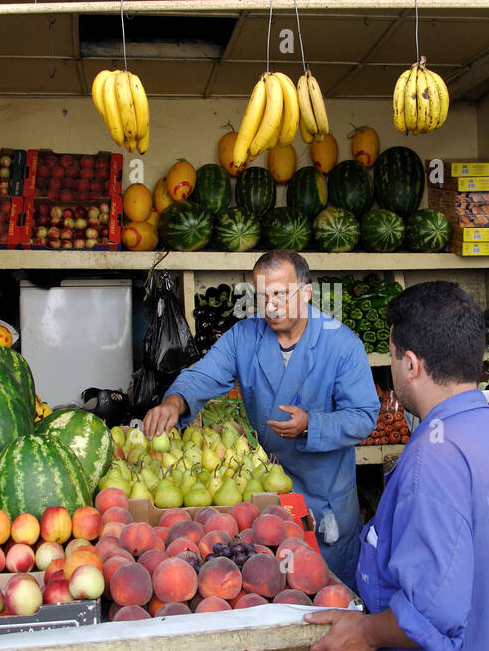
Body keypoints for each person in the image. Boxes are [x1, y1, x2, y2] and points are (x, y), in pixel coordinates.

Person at [305, 281, 489, 651]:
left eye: (394, 355)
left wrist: (365, 634)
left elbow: (433, 611)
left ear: (411, 364)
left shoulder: (433, 461)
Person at [141, 250, 378, 586]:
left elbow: (364, 417)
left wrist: (312, 424)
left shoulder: (341, 344)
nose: (269, 306)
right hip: (263, 491)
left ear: (306, 293)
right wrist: (175, 403)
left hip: (322, 496)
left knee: (329, 590)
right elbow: (202, 376)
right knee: (270, 584)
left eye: (280, 294)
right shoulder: (245, 337)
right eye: (262, 295)